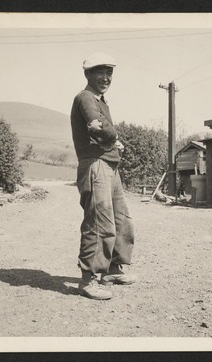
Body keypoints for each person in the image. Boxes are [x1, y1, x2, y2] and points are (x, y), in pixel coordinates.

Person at [70, 52, 136, 300]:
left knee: (121, 220)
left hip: (109, 165)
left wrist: (111, 141)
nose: (106, 77)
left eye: (109, 73)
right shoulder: (86, 98)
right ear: (87, 74)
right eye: (100, 72)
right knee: (99, 222)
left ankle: (113, 269)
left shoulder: (100, 100)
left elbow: (100, 127)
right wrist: (114, 139)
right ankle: (89, 280)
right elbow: (98, 126)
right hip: (95, 165)